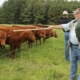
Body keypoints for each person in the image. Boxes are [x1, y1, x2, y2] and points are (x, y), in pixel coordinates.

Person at [48, 8, 80, 80]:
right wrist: (52, 26)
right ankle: (72, 77)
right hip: (73, 46)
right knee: (73, 62)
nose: (74, 14)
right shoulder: (73, 22)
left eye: (76, 13)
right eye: (74, 13)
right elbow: (63, 26)